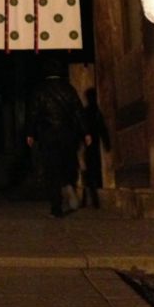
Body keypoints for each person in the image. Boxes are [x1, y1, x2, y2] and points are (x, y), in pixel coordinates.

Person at [25, 56, 91, 218]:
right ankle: (68, 183)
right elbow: (78, 111)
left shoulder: (40, 90)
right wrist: (86, 132)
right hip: (68, 134)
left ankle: (56, 208)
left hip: (47, 135)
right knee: (67, 163)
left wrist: (30, 133)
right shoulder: (68, 89)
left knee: (51, 170)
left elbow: (33, 113)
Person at [80, 87, 111, 209]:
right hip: (94, 144)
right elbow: (102, 129)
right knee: (92, 170)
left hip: (88, 144)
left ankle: (87, 198)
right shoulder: (96, 112)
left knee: (88, 171)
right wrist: (107, 143)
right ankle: (92, 198)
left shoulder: (87, 112)